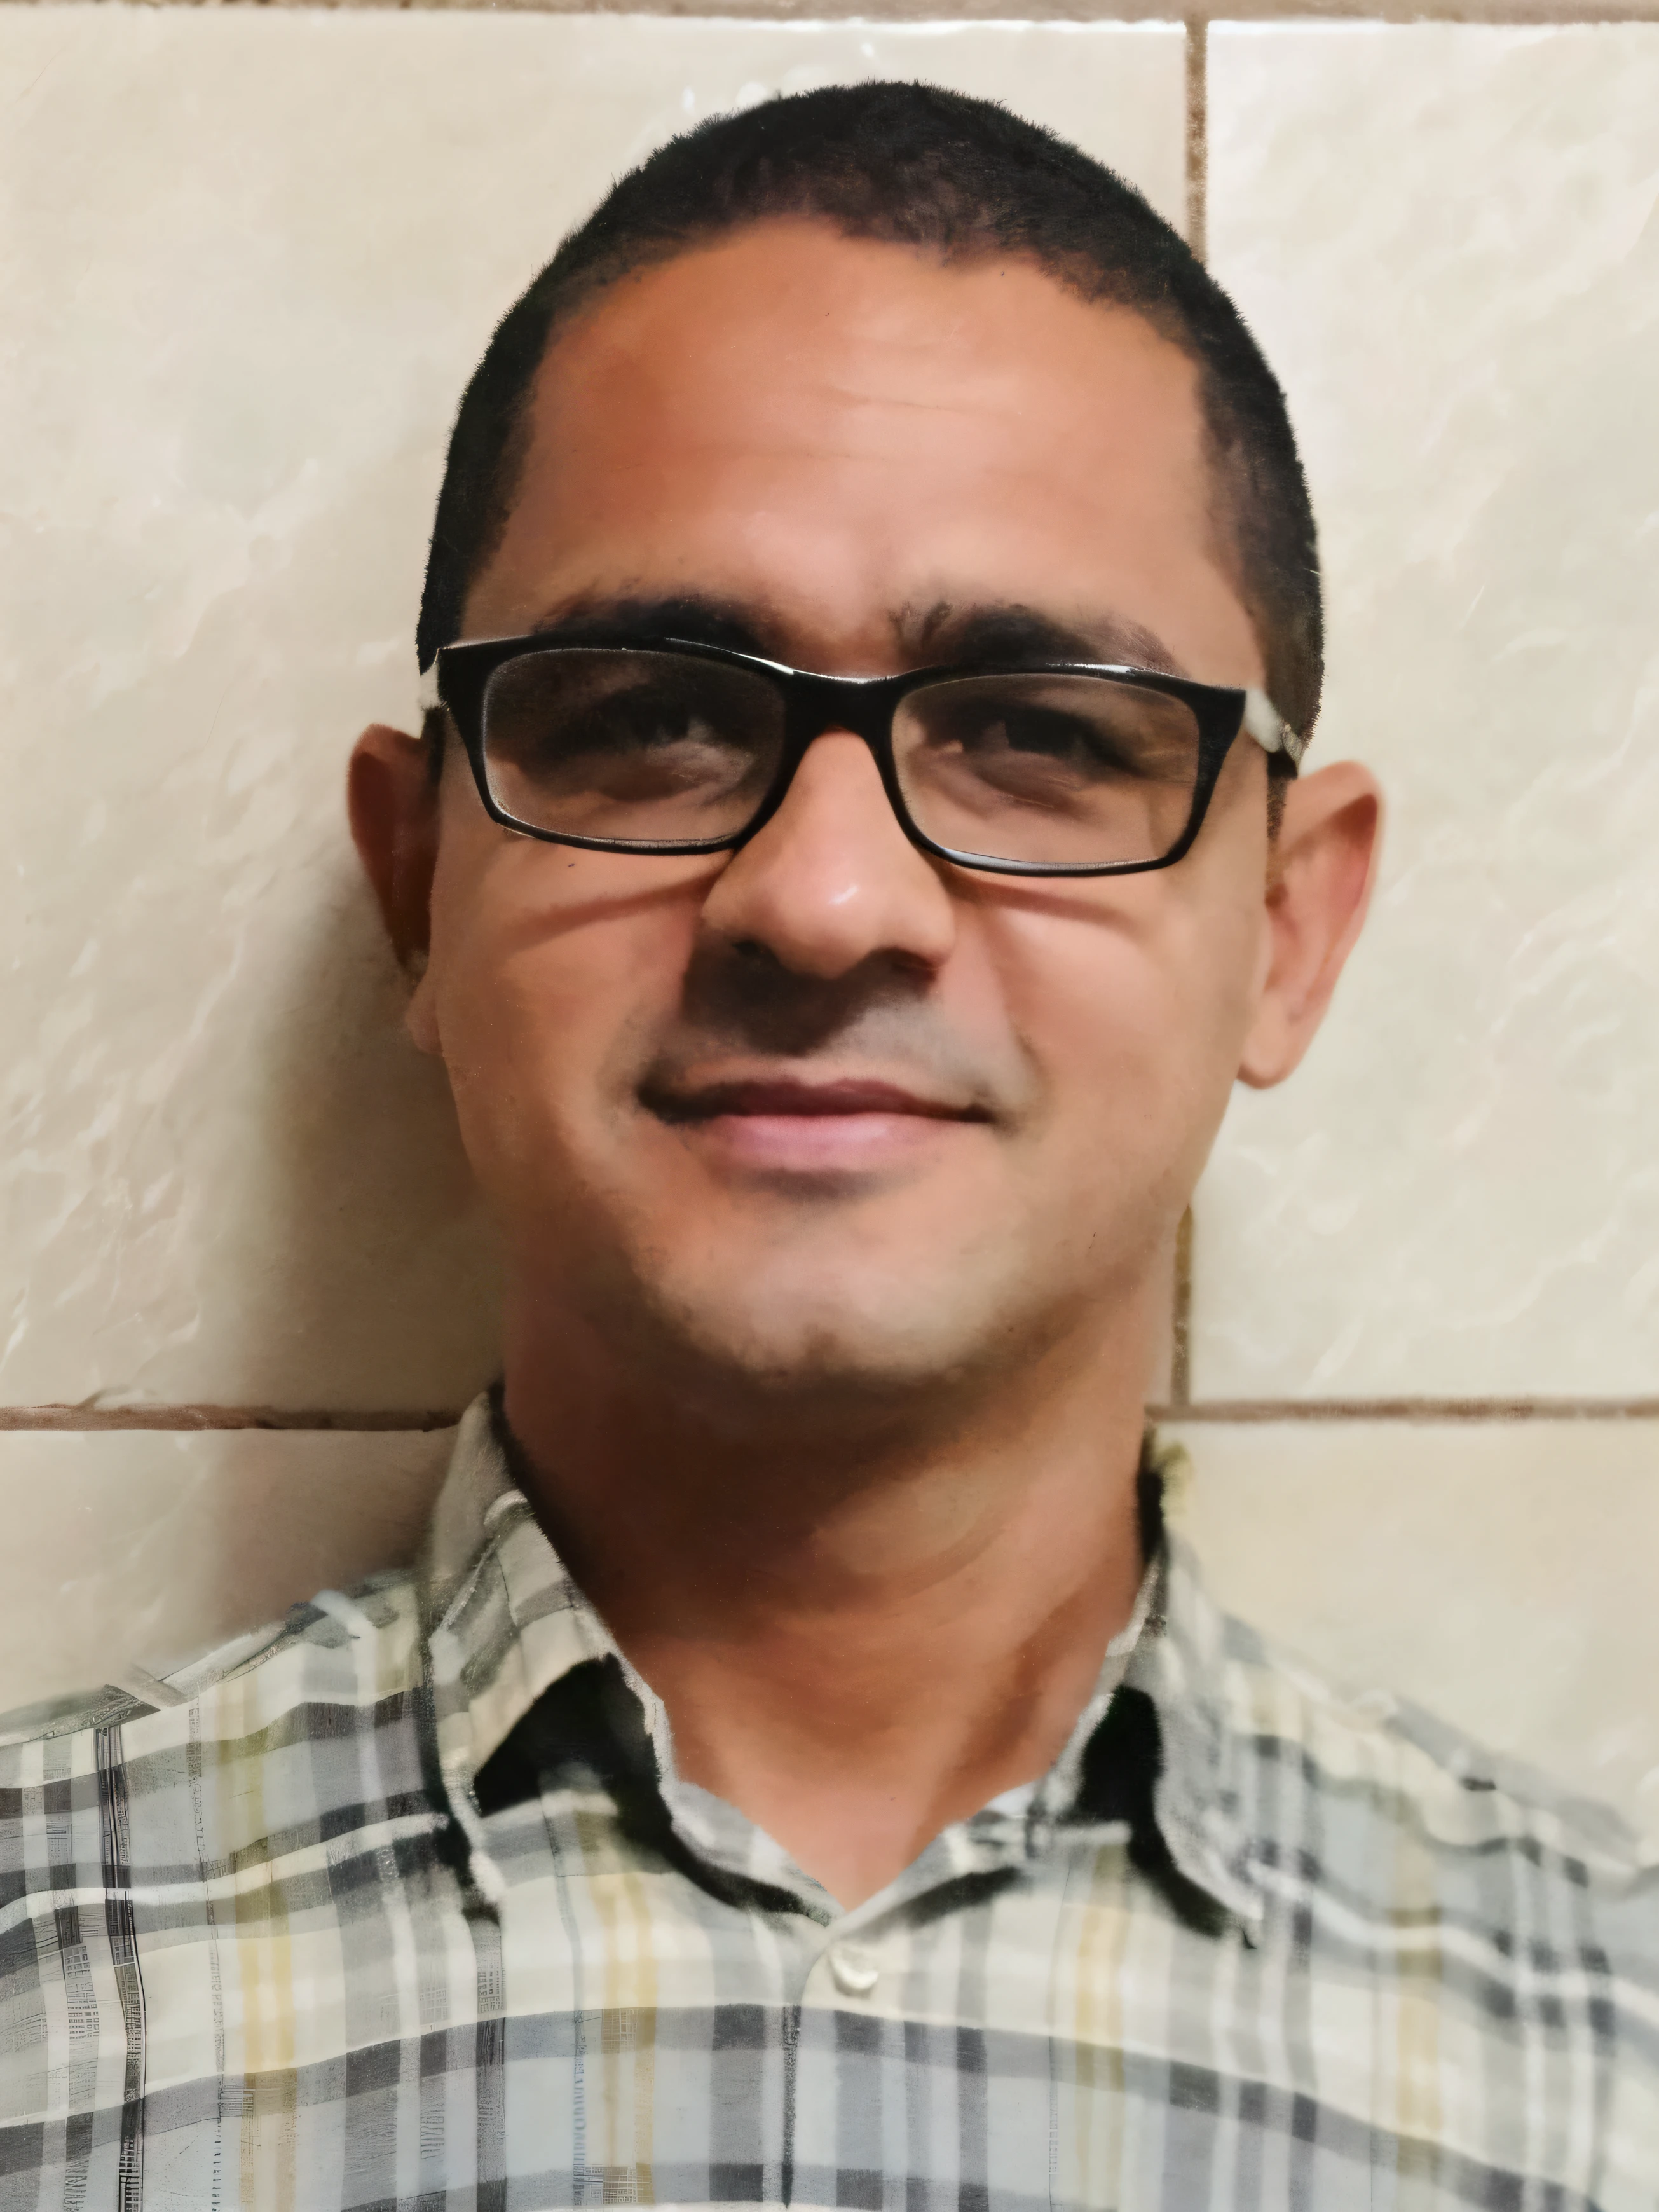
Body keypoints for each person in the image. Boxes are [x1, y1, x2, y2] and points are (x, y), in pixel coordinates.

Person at [1, 81, 1653, 2211]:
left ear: (1288, 931)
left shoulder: (1607, 2065)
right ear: (419, 887)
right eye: (649, 716)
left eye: (1044, 733)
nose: (826, 898)